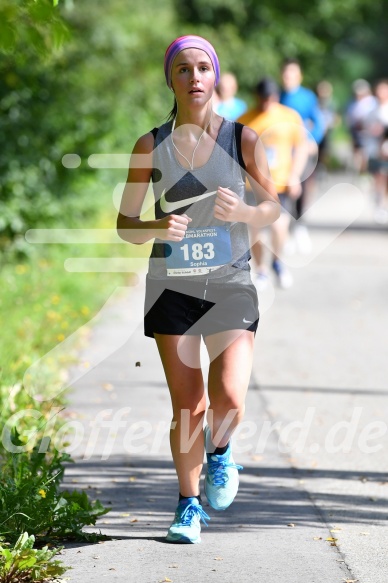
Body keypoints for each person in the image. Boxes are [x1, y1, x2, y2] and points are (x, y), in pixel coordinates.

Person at [117, 35, 280, 544]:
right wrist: (156, 229)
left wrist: (246, 212)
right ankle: (188, 506)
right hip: (172, 285)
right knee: (188, 406)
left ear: (215, 76)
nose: (194, 77)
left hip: (230, 280)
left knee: (228, 396)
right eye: (183, 69)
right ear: (171, 78)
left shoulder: (243, 140)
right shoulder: (150, 145)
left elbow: (273, 208)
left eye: (202, 67)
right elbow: (126, 223)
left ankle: (222, 452)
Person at [238, 77, 308, 289]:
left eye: (270, 99)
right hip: (253, 186)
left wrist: (295, 175)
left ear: (276, 97)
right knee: (256, 229)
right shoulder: (245, 119)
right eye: (263, 99)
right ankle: (261, 270)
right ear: (256, 97)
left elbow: (301, 148)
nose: (266, 103)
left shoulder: (289, 117)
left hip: (280, 184)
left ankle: (277, 263)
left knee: (278, 227)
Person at [280, 58, 324, 254]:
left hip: (301, 151)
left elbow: (319, 123)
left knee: (301, 187)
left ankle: (300, 226)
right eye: (285, 74)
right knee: (283, 189)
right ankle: (286, 230)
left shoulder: (307, 97)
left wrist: (311, 140)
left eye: (292, 74)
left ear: (299, 76)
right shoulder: (277, 97)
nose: (288, 77)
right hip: (282, 153)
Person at [345, 79, 377, 174]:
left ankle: (366, 171)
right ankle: (359, 171)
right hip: (356, 131)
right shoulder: (352, 103)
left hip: (370, 132)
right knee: (358, 152)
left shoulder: (372, 102)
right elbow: (349, 117)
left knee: (367, 153)